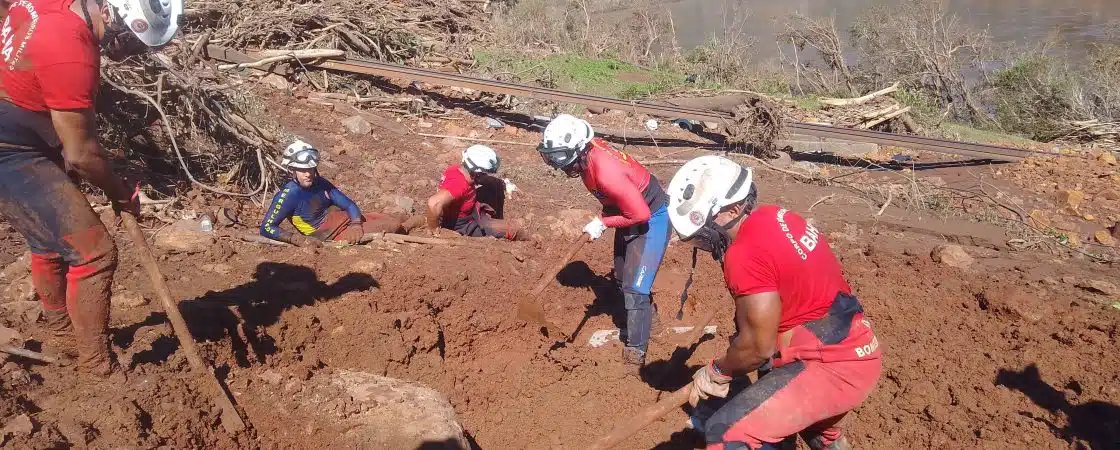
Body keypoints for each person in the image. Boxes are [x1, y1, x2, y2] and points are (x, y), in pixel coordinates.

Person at [0, 0, 181, 376]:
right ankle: (97, 367)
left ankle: (63, 333)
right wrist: (119, 193)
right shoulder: (71, 51)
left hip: (23, 129)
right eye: (127, 41)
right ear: (111, 13)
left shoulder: (54, 6)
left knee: (49, 240)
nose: (124, 52)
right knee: (94, 253)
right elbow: (81, 153)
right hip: (10, 148)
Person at [665, 155, 883, 450]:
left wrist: (717, 371)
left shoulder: (742, 255)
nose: (704, 245)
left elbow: (758, 347)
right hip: (851, 339)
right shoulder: (775, 215)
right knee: (814, 428)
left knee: (725, 433)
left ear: (731, 210)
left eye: (702, 234)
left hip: (833, 364)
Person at [537, 114, 670, 366]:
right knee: (621, 279)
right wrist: (606, 217)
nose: (560, 167)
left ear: (579, 150)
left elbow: (639, 213)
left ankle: (636, 354)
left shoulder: (606, 172)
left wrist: (603, 222)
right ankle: (652, 323)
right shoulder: (588, 153)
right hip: (627, 212)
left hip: (651, 217)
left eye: (562, 160)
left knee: (635, 289)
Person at [260, 140, 408, 246]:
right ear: (292, 171)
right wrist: (295, 238)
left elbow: (349, 204)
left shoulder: (321, 183)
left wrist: (356, 224)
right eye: (303, 170)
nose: (308, 174)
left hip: (343, 220)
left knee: (384, 217)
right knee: (392, 224)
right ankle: (408, 226)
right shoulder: (288, 195)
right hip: (327, 234)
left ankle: (410, 222)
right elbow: (267, 227)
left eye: (311, 169)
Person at [426, 144, 521, 240]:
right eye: (484, 172)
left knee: (494, 183)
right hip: (461, 225)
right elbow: (434, 203)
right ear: (477, 172)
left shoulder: (456, 169)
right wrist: (434, 229)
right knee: (513, 229)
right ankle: (532, 241)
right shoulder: (459, 185)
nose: (485, 174)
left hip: (465, 212)